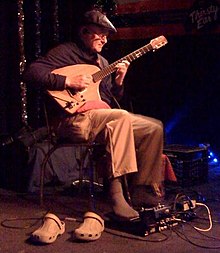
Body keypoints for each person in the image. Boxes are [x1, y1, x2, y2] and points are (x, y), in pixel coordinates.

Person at [23, 10, 164, 222]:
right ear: (85, 32)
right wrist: (67, 82)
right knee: (120, 118)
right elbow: (31, 72)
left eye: (107, 35)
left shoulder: (103, 63)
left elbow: (108, 97)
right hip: (73, 120)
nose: (104, 39)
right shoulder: (65, 52)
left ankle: (141, 190)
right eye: (100, 34)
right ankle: (116, 195)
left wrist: (118, 84)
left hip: (102, 118)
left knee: (153, 128)